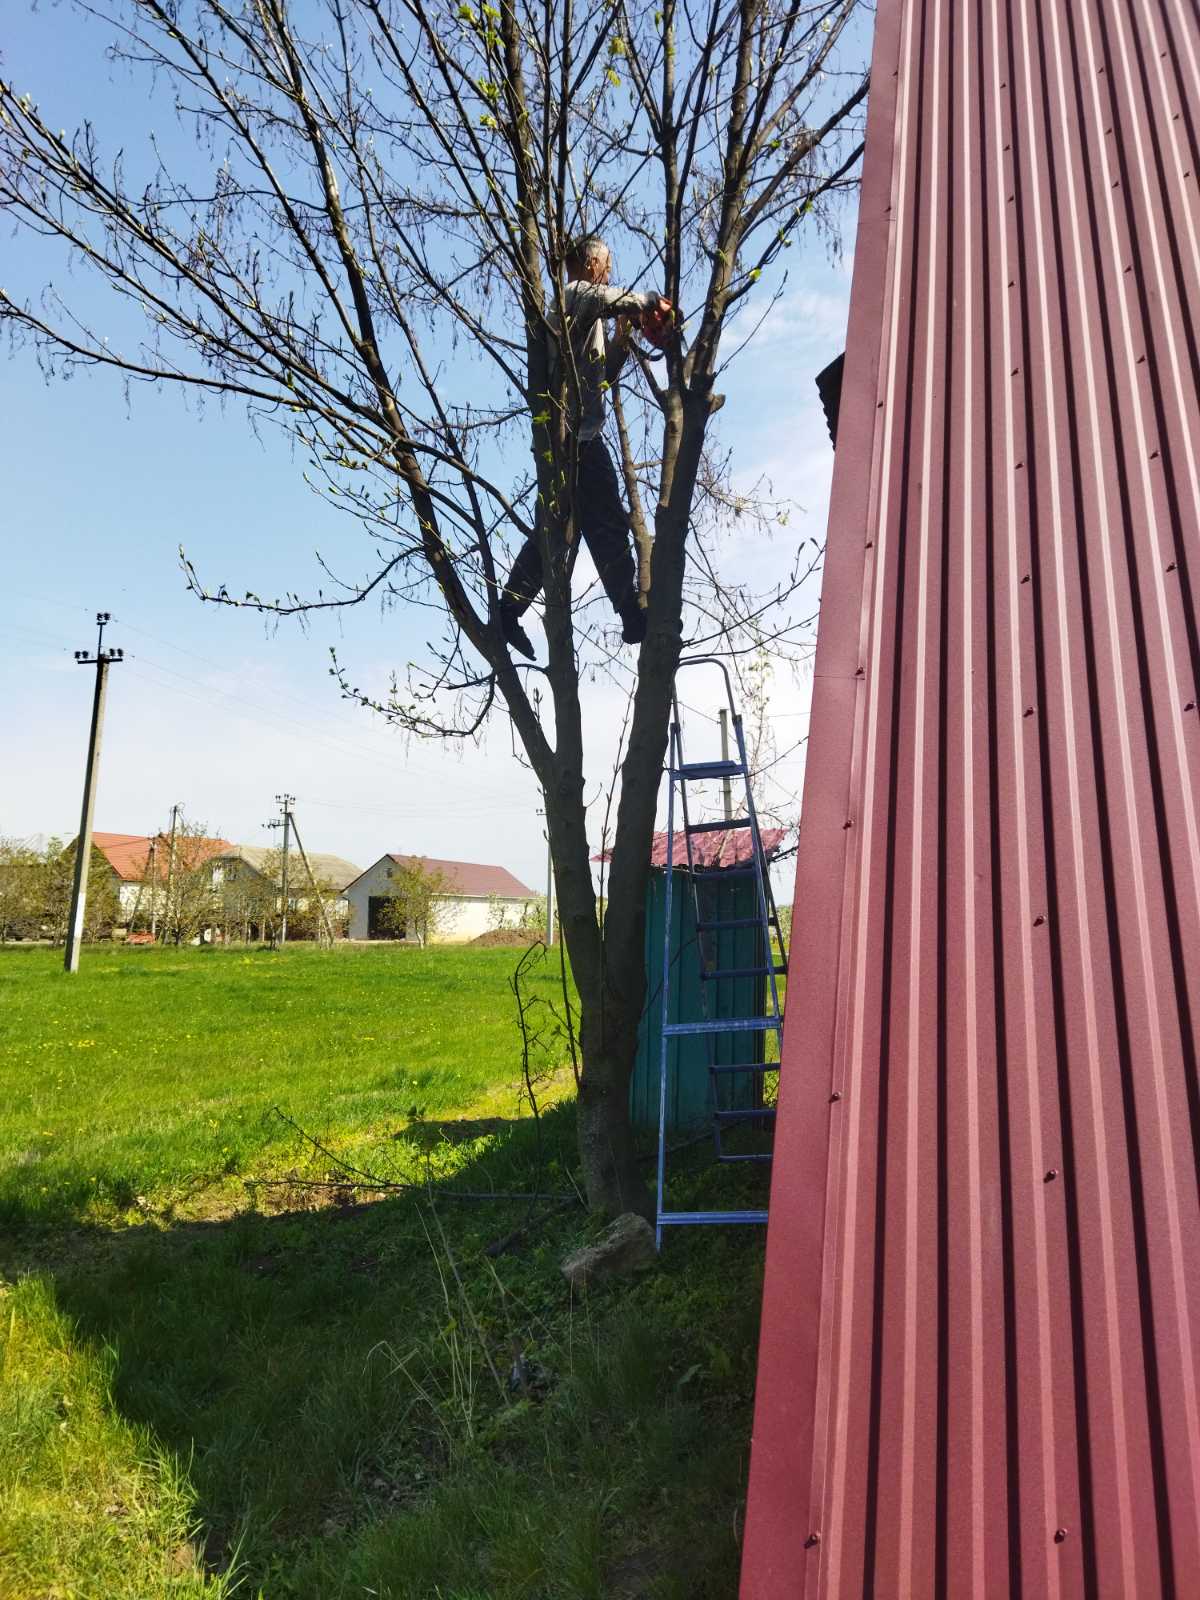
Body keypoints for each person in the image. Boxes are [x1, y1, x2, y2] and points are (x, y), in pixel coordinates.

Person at [499, 235, 672, 660]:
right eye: (606, 266)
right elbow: (608, 297)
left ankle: (508, 609)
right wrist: (647, 301)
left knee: (555, 531)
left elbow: (600, 378)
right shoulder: (575, 293)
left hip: (568, 438)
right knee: (607, 521)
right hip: (578, 437)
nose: (609, 274)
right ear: (591, 263)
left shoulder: (583, 312)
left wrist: (621, 338)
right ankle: (630, 611)